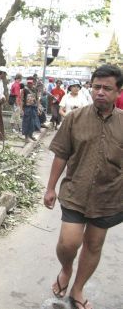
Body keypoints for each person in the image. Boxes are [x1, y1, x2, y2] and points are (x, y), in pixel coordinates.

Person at [44, 64, 123, 309]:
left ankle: (77, 289)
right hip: (75, 192)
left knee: (94, 244)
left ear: (118, 91)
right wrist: (50, 188)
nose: (100, 92)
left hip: (110, 196)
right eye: (96, 86)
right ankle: (66, 269)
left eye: (107, 88)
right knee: (68, 243)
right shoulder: (74, 118)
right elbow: (61, 154)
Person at [21, 77, 39, 142]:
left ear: (33, 83)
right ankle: (26, 137)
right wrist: (21, 109)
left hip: (33, 108)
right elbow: (22, 100)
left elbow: (37, 99)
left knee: (33, 122)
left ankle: (31, 135)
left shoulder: (35, 89)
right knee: (26, 122)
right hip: (27, 108)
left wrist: (38, 108)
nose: (30, 84)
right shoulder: (24, 90)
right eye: (28, 83)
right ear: (27, 83)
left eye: (31, 83)